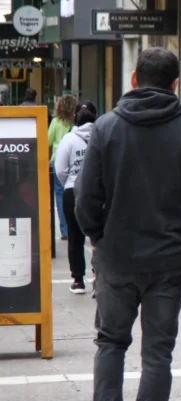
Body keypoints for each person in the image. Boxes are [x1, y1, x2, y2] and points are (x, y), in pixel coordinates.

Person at [75, 47, 181, 401]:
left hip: (117, 257)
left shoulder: (106, 128)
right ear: (175, 84)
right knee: (158, 355)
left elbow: (85, 198)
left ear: (133, 79)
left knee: (110, 343)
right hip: (170, 260)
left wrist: (98, 237)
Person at [55, 101, 98, 294]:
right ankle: (99, 275)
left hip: (72, 191)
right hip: (98, 192)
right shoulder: (102, 136)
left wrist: (70, 183)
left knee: (75, 237)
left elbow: (60, 169)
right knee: (99, 237)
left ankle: (78, 280)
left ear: (75, 119)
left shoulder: (69, 139)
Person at [48, 95, 78, 241]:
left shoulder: (55, 122)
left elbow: (47, 140)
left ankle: (65, 230)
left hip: (58, 161)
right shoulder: (75, 122)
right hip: (74, 161)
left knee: (60, 196)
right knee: (75, 193)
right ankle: (77, 227)